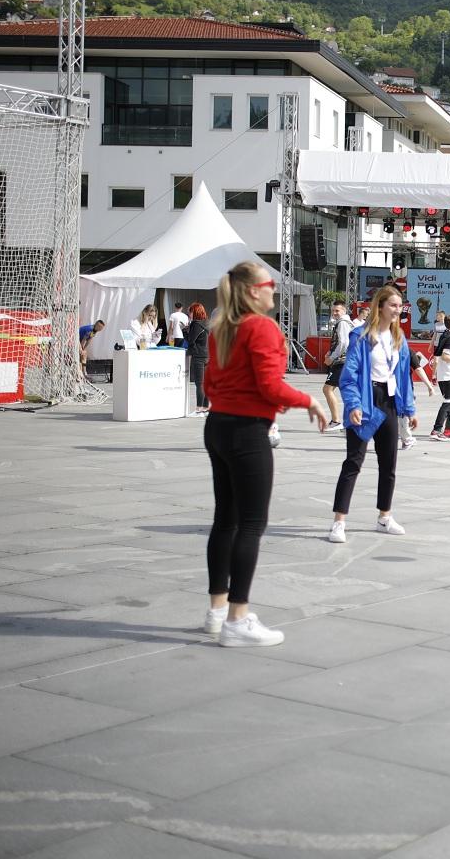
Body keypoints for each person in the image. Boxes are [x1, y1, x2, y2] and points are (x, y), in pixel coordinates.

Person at [200, 261, 327, 647]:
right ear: (254, 291)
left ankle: (218, 611)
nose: (275, 290)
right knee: (251, 524)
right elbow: (271, 387)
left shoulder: (222, 328)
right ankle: (238, 618)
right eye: (271, 285)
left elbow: (209, 383)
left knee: (225, 520)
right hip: (247, 431)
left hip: (219, 426)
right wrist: (310, 401)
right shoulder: (261, 327)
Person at [328, 285, 417, 544]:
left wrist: (409, 409)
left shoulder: (399, 338)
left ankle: (384, 517)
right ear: (380, 307)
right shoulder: (361, 336)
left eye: (399, 306)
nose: (397, 310)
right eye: (393, 305)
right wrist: (354, 405)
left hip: (389, 403)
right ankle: (338, 522)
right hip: (367, 402)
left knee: (388, 463)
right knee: (353, 462)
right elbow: (349, 376)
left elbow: (403, 377)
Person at [321, 302, 352, 431]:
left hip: (342, 361)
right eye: (333, 310)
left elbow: (343, 343)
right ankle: (350, 421)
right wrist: (330, 353)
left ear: (344, 311)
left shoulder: (342, 323)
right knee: (347, 391)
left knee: (327, 389)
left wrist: (331, 358)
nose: (334, 313)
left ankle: (336, 421)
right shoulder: (346, 323)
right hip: (346, 361)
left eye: (337, 310)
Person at [185, 304, 210, 415]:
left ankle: (199, 409)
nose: (188, 314)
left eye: (190, 312)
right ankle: (205, 408)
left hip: (198, 356)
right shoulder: (205, 323)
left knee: (199, 383)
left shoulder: (195, 325)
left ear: (194, 312)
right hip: (207, 355)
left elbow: (191, 340)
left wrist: (185, 331)